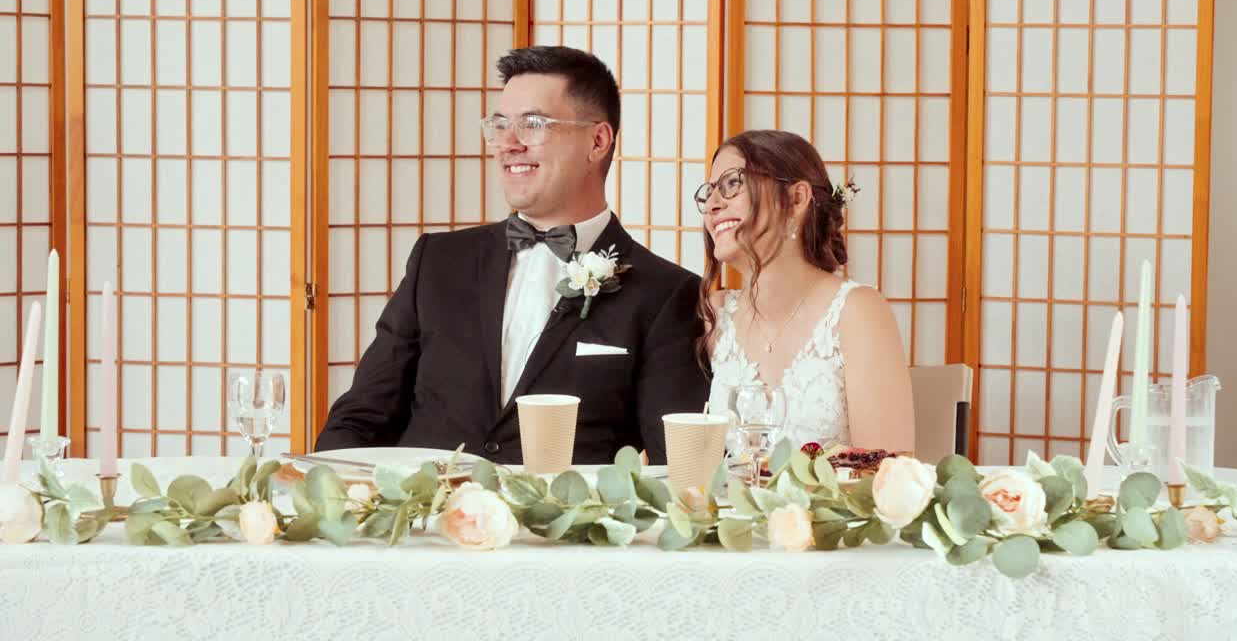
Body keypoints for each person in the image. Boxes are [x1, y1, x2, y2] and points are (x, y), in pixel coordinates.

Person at [316, 46, 709, 464]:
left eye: (534, 125)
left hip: (560, 527)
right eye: (500, 125)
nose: (508, 144)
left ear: (597, 141)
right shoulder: (438, 261)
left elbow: (676, 468)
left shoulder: (666, 293)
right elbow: (362, 416)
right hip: (424, 520)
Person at [696, 129, 915, 452]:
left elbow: (886, 467)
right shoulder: (715, 315)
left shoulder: (856, 312)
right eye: (709, 191)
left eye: (732, 183)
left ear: (796, 199)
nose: (713, 205)